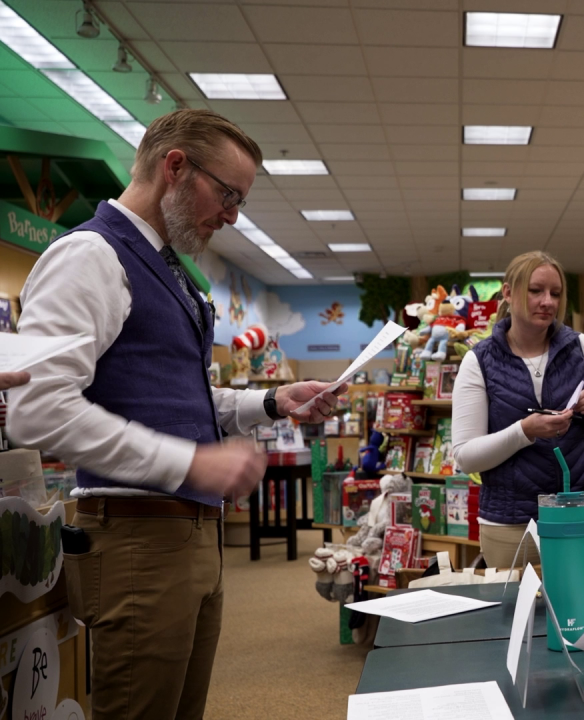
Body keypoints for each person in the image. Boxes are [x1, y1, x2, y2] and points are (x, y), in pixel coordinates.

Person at [7, 109, 344, 720]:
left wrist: (270, 402)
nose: (233, 215)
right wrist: (189, 461)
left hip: (188, 538)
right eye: (229, 193)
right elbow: (37, 410)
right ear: (176, 168)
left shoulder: (163, 268)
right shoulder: (90, 254)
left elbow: (180, 400)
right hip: (138, 537)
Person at [452, 251, 584, 572]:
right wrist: (524, 431)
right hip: (511, 523)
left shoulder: (581, 347)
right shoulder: (479, 361)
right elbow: (466, 457)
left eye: (555, 294)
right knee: (518, 619)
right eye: (535, 290)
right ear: (509, 292)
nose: (547, 302)